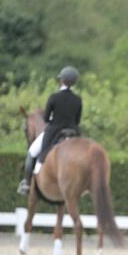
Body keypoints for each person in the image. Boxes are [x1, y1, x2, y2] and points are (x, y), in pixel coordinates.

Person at [18, 66, 82, 195]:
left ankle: (27, 183)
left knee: (32, 152)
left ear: (61, 80)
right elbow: (77, 120)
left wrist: (54, 118)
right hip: (73, 132)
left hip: (54, 131)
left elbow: (46, 118)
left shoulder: (54, 97)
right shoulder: (78, 99)